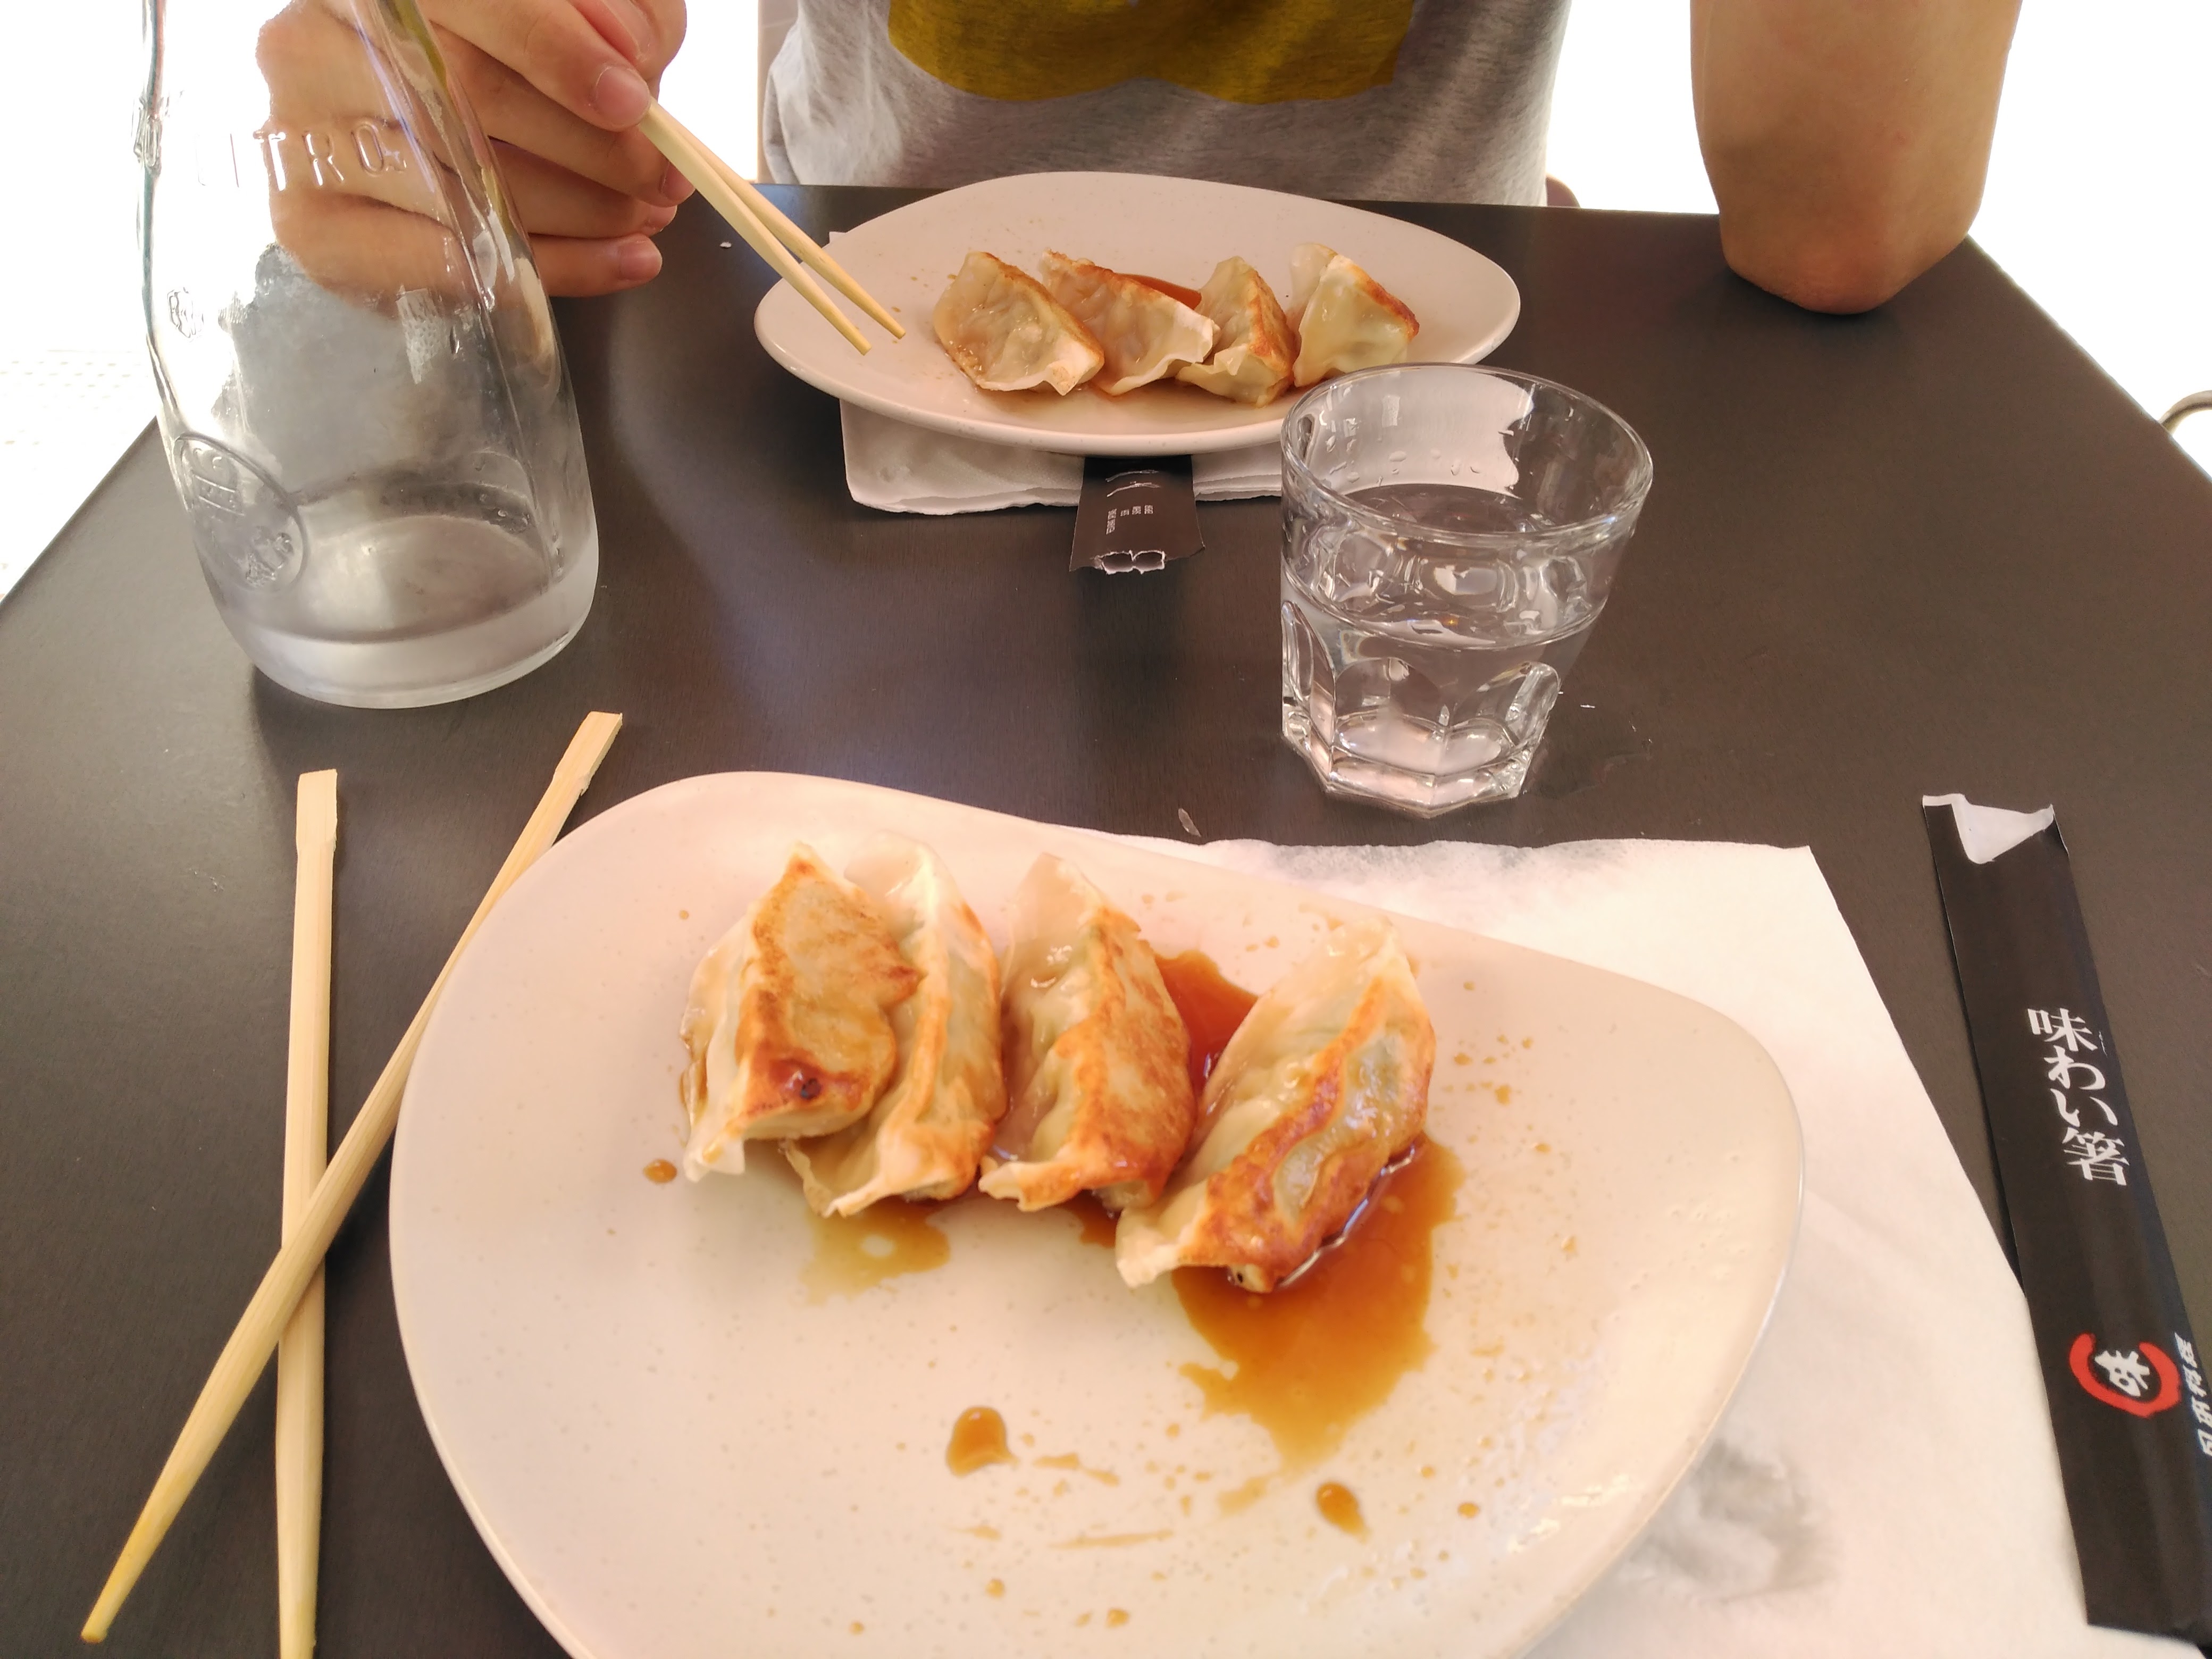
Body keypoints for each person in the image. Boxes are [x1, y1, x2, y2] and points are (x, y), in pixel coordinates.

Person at [408, 0, 2021, 314]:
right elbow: (492, 54)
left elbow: (1839, 223)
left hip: (1422, 370)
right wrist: (441, 69)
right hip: (845, 304)